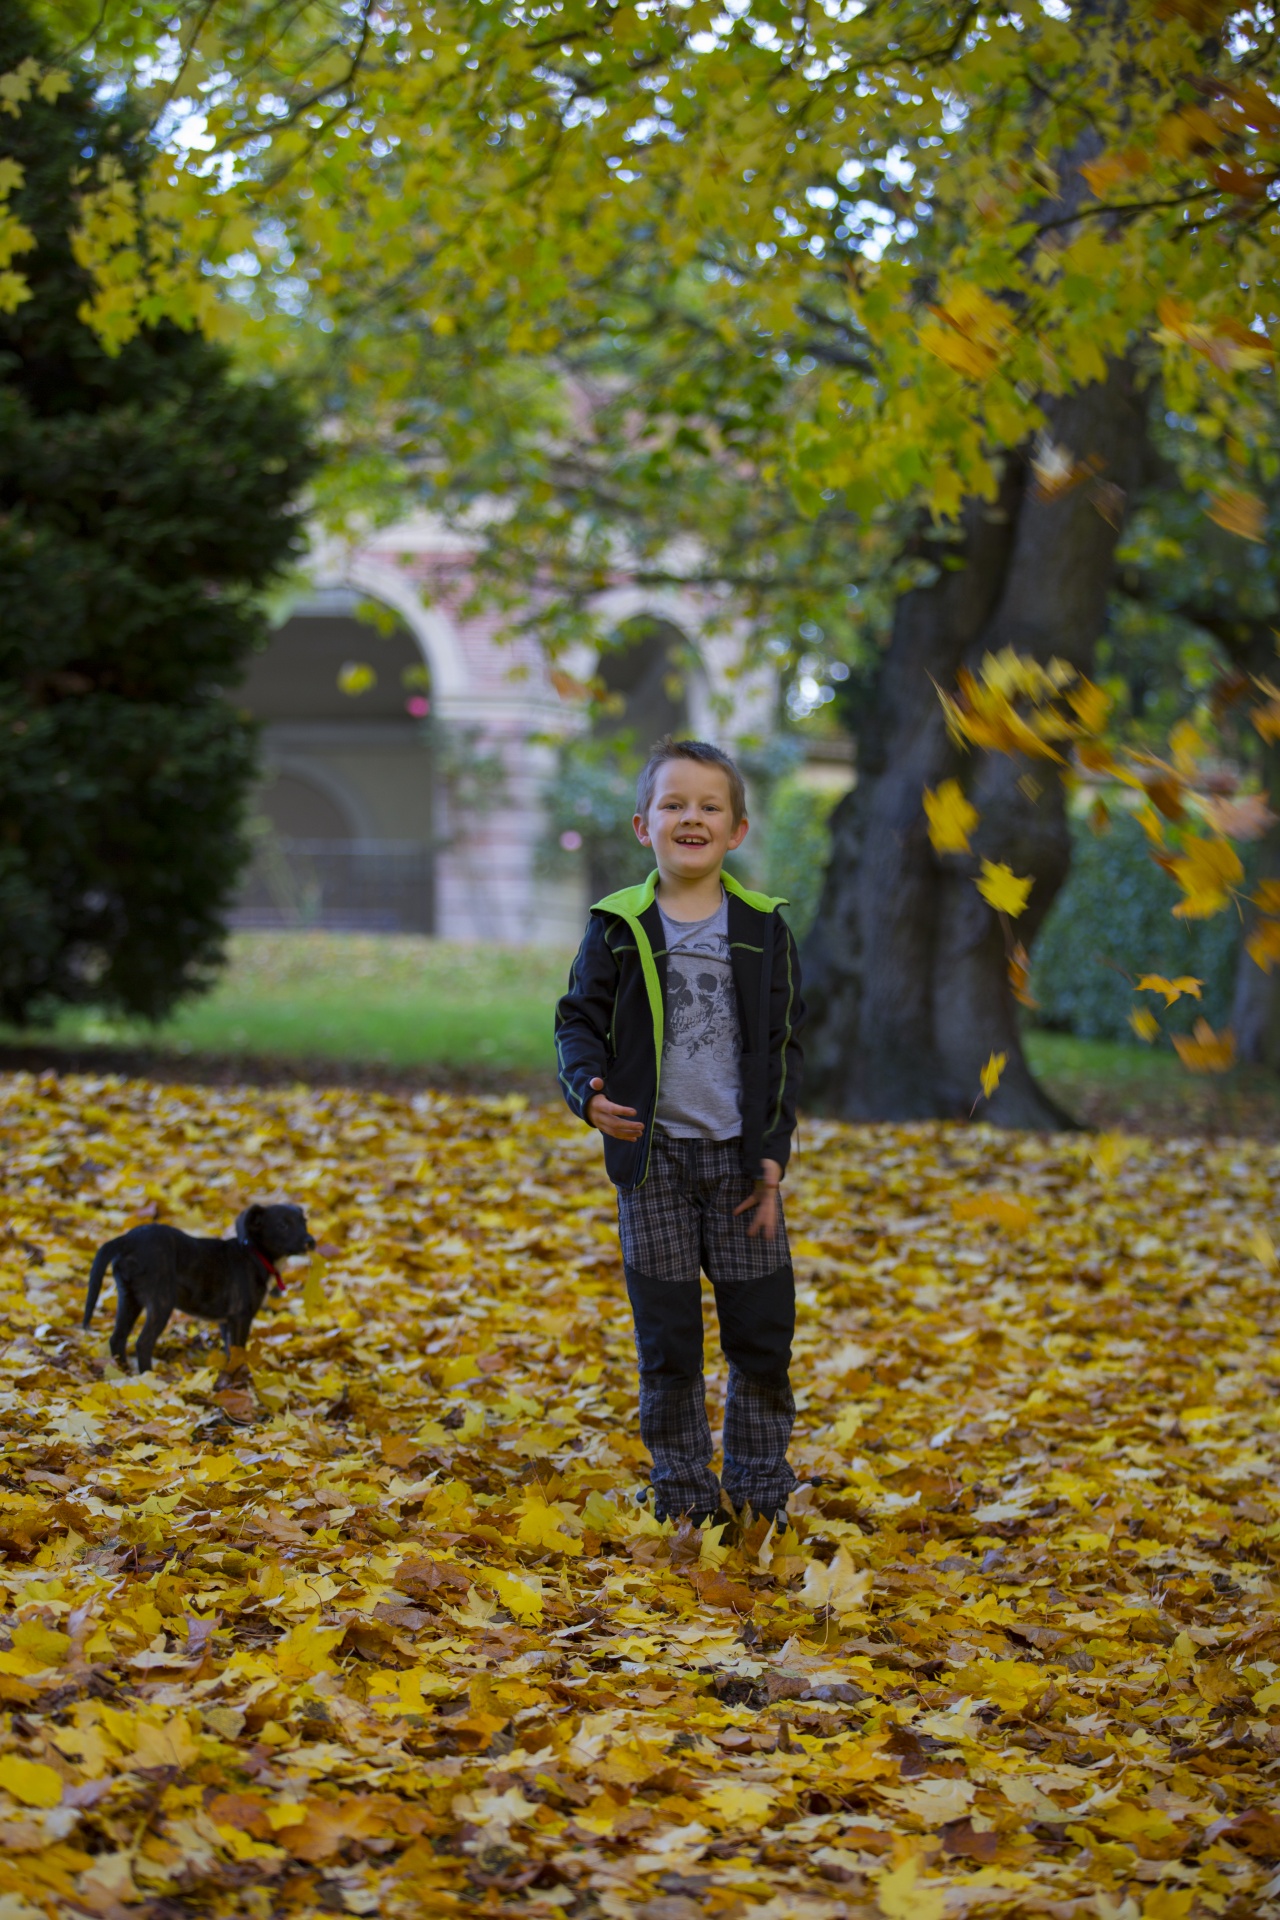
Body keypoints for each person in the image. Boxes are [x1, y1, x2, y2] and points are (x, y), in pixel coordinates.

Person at [555, 735, 805, 1531]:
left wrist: (771, 1159)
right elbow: (577, 1022)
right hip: (652, 1164)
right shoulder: (617, 925)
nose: (690, 817)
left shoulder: (764, 928)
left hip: (741, 1170)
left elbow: (781, 1049)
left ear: (736, 830)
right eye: (674, 804)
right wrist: (585, 1091)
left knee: (761, 1334)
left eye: (709, 806)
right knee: (668, 1343)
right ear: (643, 826)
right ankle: (683, 1491)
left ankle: (762, 1488)